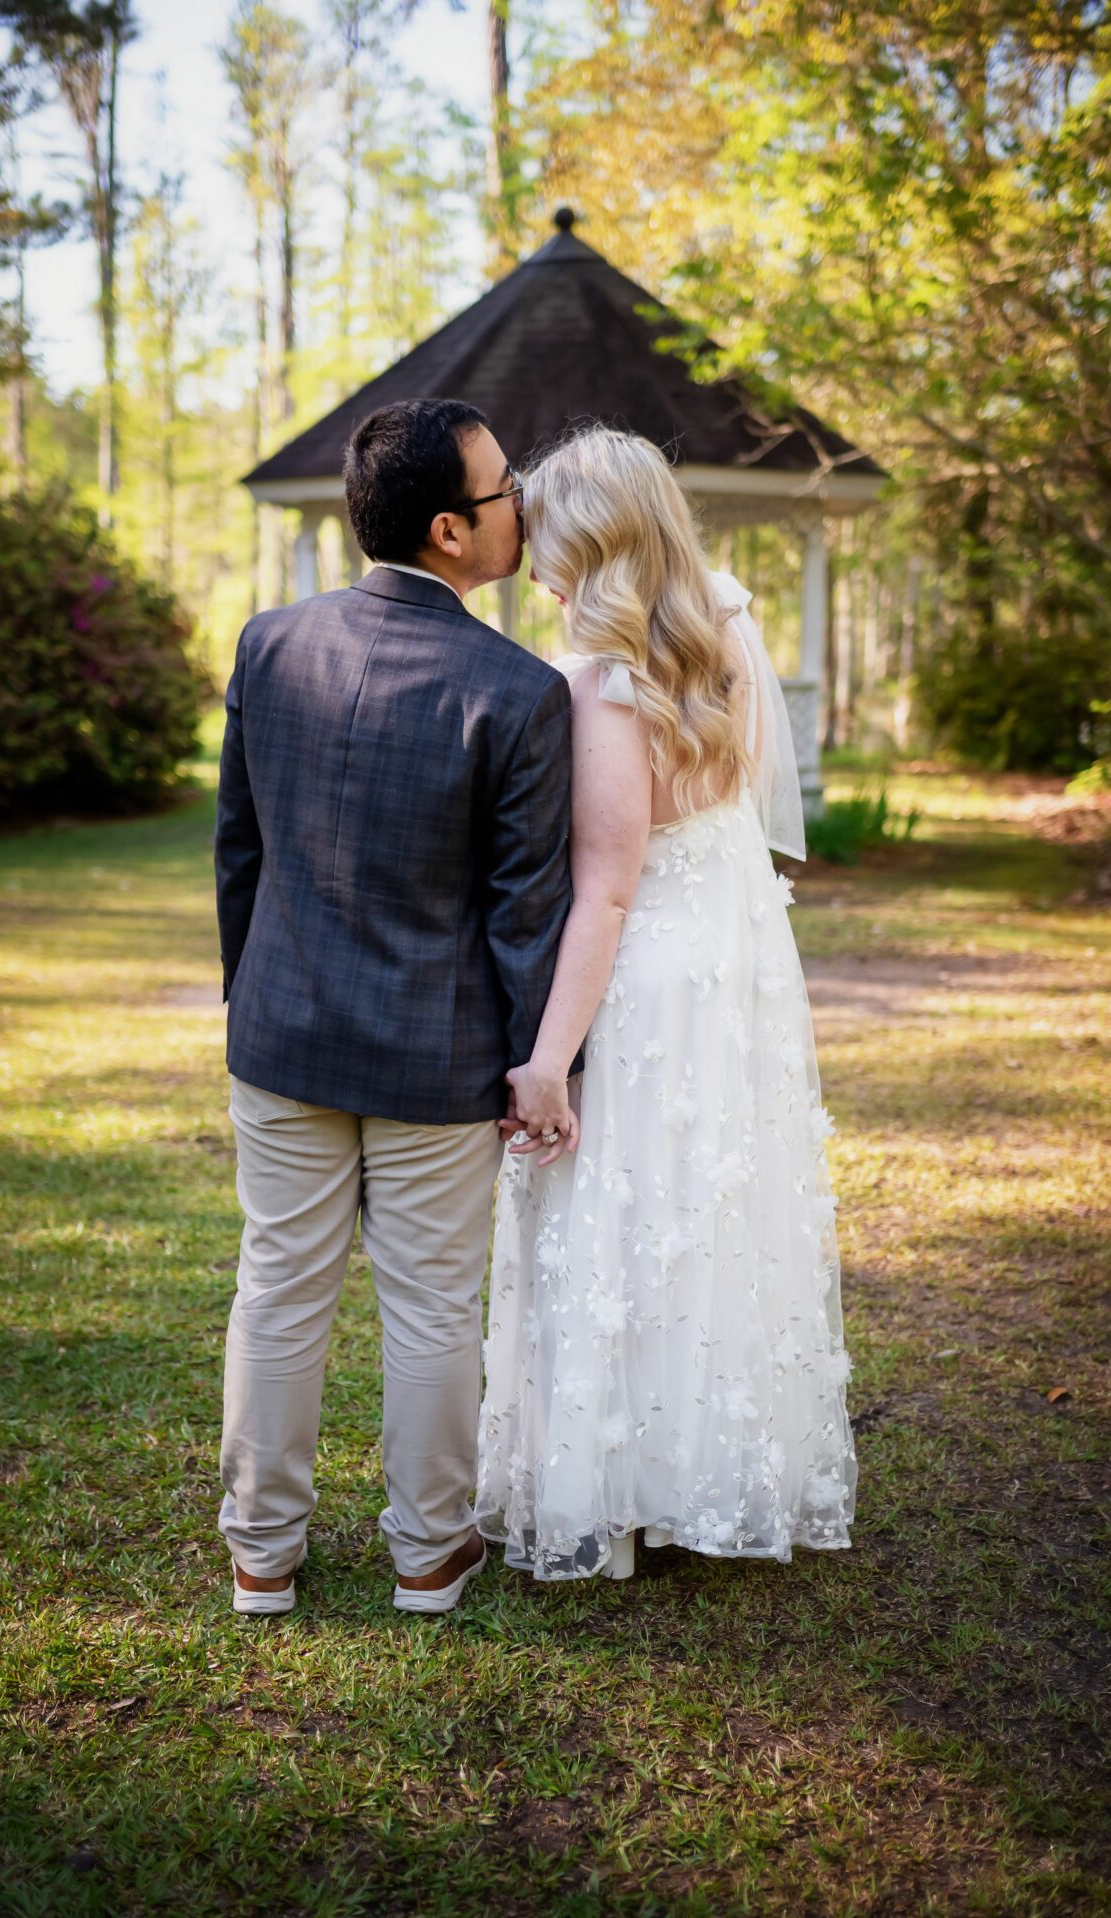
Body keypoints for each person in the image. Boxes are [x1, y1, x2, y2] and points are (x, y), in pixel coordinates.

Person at [214, 398, 576, 1616]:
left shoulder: (268, 645)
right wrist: (536, 1060)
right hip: (437, 1056)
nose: (519, 502)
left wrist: (249, 999)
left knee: (278, 1284)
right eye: (500, 489)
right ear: (446, 532)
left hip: (280, 1037)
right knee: (428, 1305)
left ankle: (260, 1551)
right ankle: (428, 1550)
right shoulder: (518, 691)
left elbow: (237, 858)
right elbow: (524, 911)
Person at [476, 427, 857, 1580]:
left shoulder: (601, 684)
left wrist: (545, 1061)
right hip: (734, 961)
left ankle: (619, 1483)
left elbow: (604, 893)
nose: (528, 561)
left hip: (642, 973)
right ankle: (707, 1463)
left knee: (617, 1205)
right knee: (709, 1205)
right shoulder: (725, 627)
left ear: (588, 548)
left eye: (542, 538)